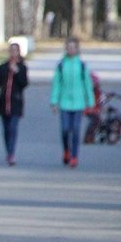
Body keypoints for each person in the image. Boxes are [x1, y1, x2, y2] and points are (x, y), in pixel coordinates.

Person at [49, 36, 95, 169]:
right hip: (64, 103)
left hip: (78, 103)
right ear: (66, 49)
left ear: (77, 49)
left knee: (75, 130)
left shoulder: (81, 65)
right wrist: (54, 101)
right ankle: (66, 151)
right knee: (64, 129)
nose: (71, 50)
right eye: (68, 47)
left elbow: (87, 84)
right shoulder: (61, 65)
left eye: (73, 47)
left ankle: (74, 156)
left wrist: (90, 102)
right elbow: (56, 84)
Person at [0, 42, 29, 166]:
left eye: (16, 50)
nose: (13, 53)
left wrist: (17, 72)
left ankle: (11, 153)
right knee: (6, 129)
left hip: (16, 102)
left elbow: (24, 84)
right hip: (3, 103)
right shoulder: (3, 67)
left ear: (19, 52)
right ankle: (8, 151)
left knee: (13, 128)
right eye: (11, 50)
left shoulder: (22, 67)